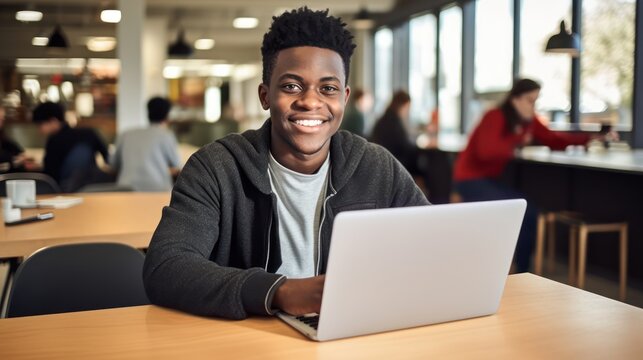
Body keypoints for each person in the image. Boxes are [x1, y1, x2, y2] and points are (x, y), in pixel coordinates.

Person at [143, 7, 429, 320]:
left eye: (328, 88)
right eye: (291, 86)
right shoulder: (216, 168)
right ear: (265, 96)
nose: (310, 101)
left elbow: (435, 245)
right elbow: (166, 266)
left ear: (344, 98)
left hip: (349, 334)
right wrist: (278, 291)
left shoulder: (377, 167)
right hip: (247, 340)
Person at [453, 78, 606, 273]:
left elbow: (553, 139)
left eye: (536, 101)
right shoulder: (495, 116)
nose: (533, 106)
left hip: (489, 180)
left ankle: (521, 270)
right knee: (524, 211)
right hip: (468, 179)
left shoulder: (528, 121)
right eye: (529, 100)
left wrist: (589, 138)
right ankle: (519, 271)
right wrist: (517, 140)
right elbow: (486, 151)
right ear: (515, 99)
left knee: (528, 210)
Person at [32, 101, 110, 192]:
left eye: (40, 125)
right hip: (92, 188)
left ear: (53, 121)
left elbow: (50, 174)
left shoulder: (54, 141)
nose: (39, 131)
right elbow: (108, 159)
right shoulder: (89, 133)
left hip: (63, 192)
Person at [111, 97, 181, 192]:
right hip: (158, 189)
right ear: (167, 115)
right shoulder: (166, 135)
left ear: (147, 112)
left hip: (126, 189)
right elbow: (176, 165)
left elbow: (113, 164)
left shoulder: (126, 134)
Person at [370, 90, 420, 175]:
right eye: (407, 107)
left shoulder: (384, 119)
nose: (407, 111)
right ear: (403, 105)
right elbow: (404, 145)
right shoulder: (394, 122)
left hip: (382, 162)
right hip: (394, 163)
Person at [0, 105, 27, 172]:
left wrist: (20, 155)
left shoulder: (2, 135)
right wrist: (13, 159)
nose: (1, 124)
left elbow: (15, 147)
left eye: (2, 120)